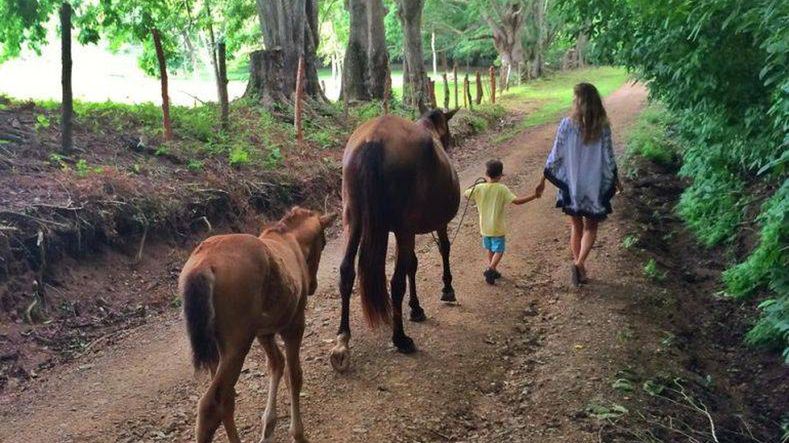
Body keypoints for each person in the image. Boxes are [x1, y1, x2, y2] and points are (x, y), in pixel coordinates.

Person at [535, 82, 623, 287]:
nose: (573, 102)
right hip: (594, 186)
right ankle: (579, 263)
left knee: (576, 225)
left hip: (572, 185)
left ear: (580, 102)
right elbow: (609, 157)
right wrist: (616, 180)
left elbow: (555, 156)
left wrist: (543, 180)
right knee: (591, 227)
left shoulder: (566, 124)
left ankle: (579, 266)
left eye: (575, 99)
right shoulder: (603, 126)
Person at [466, 159, 539, 285]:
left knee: (490, 249)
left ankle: (493, 269)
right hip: (497, 227)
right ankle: (491, 268)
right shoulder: (502, 189)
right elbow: (517, 201)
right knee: (499, 250)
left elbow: (467, 194)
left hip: (484, 227)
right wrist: (534, 196)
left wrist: (478, 184)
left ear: (486, 174)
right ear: (500, 175)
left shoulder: (479, 188)